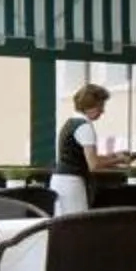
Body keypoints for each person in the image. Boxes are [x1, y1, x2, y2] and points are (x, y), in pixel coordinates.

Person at [52, 84, 122, 214]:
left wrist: (113, 157)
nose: (102, 111)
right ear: (90, 106)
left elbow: (86, 157)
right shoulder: (85, 127)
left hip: (60, 181)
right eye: (101, 106)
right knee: (77, 224)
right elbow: (93, 165)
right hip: (72, 183)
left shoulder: (70, 123)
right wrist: (118, 160)